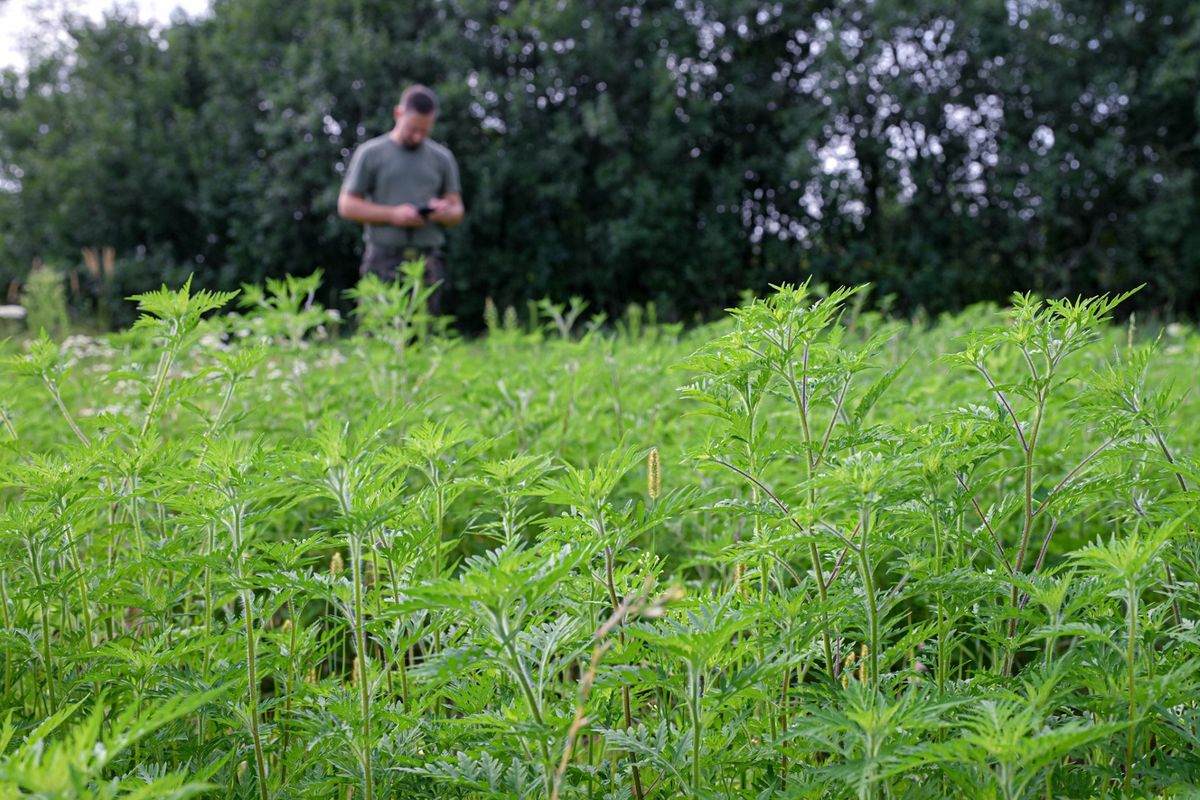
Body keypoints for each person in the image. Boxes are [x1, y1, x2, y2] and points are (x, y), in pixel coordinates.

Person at [337, 84, 464, 315]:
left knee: (424, 336)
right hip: (383, 258)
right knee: (376, 333)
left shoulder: (442, 158)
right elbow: (346, 205)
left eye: (424, 131)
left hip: (427, 261)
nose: (417, 136)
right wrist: (393, 215)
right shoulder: (371, 153)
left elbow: (457, 210)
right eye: (412, 129)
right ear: (398, 113)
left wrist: (444, 212)